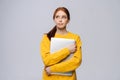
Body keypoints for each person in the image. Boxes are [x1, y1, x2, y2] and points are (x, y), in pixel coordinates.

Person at [40, 7, 82, 80]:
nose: (60, 20)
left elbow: (76, 62)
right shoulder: (46, 37)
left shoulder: (75, 38)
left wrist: (52, 69)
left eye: (64, 17)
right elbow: (47, 60)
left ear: (68, 20)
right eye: (57, 17)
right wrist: (67, 50)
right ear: (54, 19)